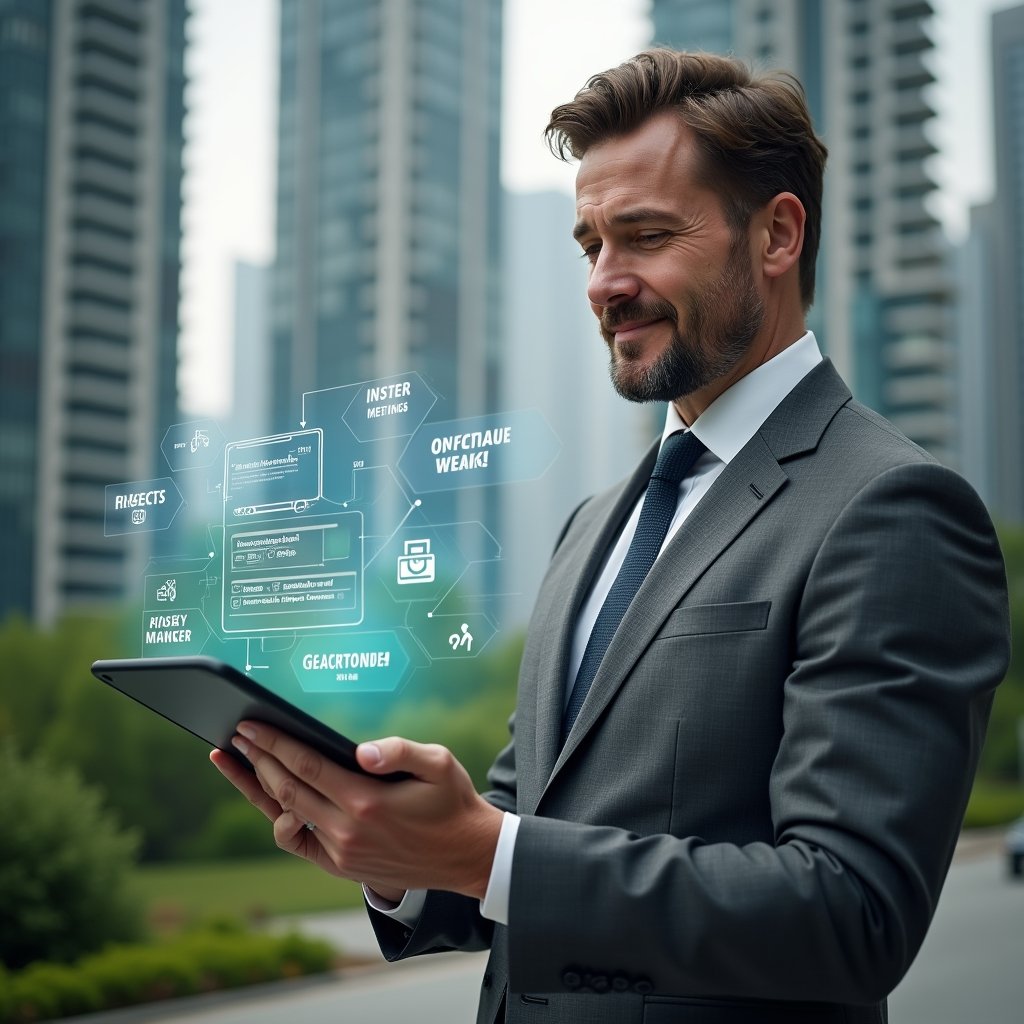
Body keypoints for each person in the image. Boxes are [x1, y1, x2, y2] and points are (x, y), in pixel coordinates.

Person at [211, 50, 1010, 1023]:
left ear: (777, 234)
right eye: (590, 243)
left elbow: (850, 911)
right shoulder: (595, 524)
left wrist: (484, 849)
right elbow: (519, 836)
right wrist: (399, 852)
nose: (604, 282)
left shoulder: (894, 508)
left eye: (644, 236)